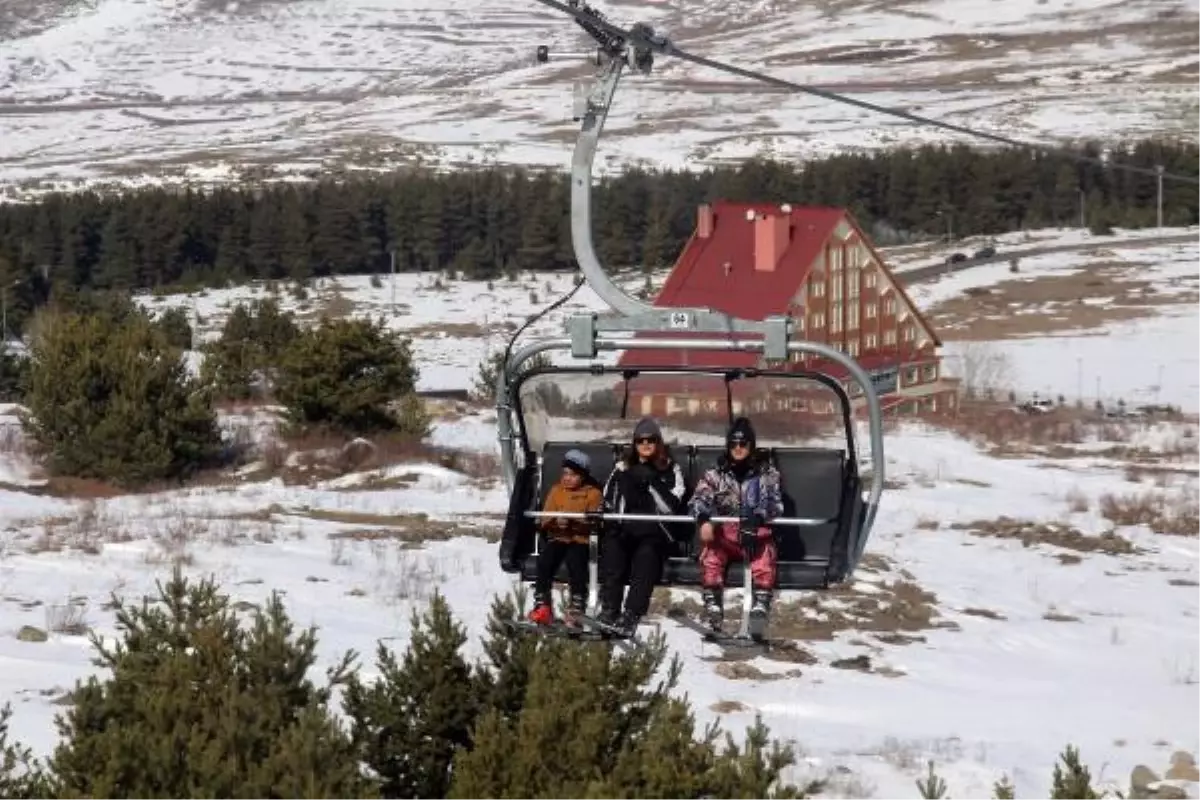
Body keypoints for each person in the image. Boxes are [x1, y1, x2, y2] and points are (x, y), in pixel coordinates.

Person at [688, 416, 784, 635]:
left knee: (764, 558)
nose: (738, 448)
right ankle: (713, 602)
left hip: (755, 535)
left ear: (751, 446)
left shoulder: (767, 474)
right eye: (734, 444)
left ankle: (760, 604)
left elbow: (776, 504)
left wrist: (757, 519)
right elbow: (699, 498)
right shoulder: (716, 474)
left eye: (743, 444)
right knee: (711, 556)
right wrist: (703, 519)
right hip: (726, 535)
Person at [597, 416, 687, 637]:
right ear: (634, 444)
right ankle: (610, 609)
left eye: (651, 440)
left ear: (659, 443)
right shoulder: (621, 468)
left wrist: (652, 482)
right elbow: (609, 499)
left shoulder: (670, 470)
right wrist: (612, 517)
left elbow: (670, 507)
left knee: (646, 556)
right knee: (613, 548)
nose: (645, 444)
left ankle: (631, 614)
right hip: (626, 528)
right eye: (640, 440)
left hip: (655, 532)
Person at [528, 449, 604, 628]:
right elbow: (545, 517)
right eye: (565, 473)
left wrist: (576, 520)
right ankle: (542, 604)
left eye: (573, 475)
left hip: (581, 539)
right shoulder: (556, 491)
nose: (567, 478)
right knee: (545, 561)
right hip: (559, 538)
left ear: (583, 476)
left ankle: (577, 606)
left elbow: (597, 521)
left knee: (576, 562)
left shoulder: (593, 494)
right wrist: (555, 521)